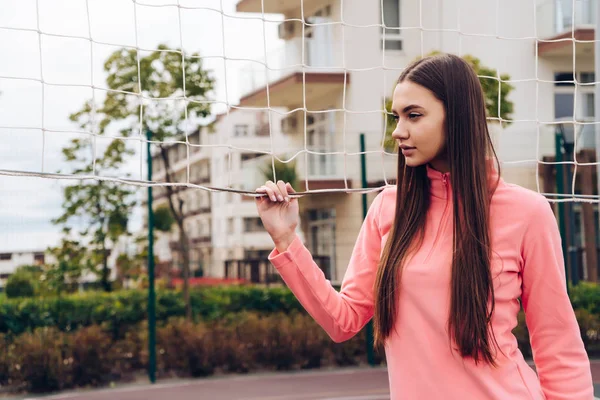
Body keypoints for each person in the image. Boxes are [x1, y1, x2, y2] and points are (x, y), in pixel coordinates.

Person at [255, 53, 593, 400]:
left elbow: (557, 343)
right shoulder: (388, 208)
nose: (399, 132)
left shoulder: (527, 212)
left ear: (457, 117)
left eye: (414, 116)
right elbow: (343, 320)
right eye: (396, 117)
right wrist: (286, 239)